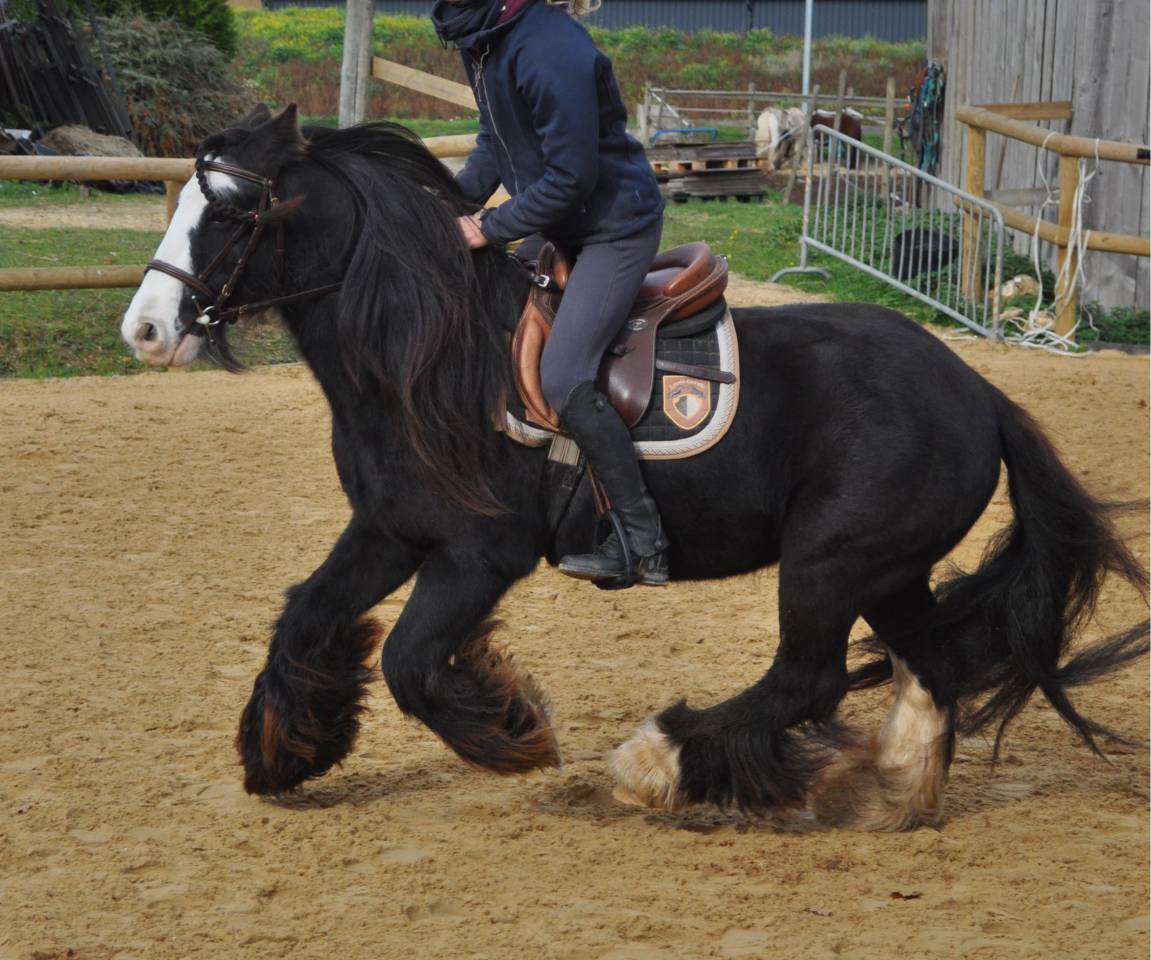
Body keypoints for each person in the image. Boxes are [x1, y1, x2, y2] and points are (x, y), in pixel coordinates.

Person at [433, 0, 669, 588]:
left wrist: (487, 227)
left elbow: (572, 176)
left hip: (613, 227)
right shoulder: (482, 38)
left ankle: (643, 541)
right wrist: (449, 203)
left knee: (562, 375)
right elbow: (497, 141)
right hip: (559, 218)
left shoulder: (549, 48)